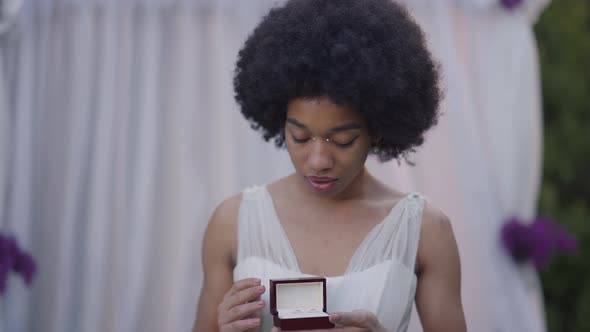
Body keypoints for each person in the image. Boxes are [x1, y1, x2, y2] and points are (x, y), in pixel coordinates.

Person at [193, 0, 466, 331]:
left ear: (376, 130)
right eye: (300, 136)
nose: (319, 161)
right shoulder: (232, 222)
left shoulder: (424, 231)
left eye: (342, 141)